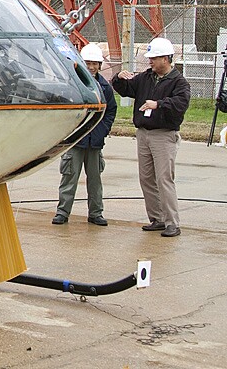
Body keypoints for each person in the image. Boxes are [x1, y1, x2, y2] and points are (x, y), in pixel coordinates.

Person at [112, 37, 191, 237]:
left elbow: (180, 104)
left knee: (164, 178)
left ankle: (172, 222)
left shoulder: (179, 82)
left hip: (164, 135)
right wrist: (118, 79)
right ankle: (157, 218)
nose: (150, 61)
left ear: (166, 59)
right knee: (146, 178)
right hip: (143, 133)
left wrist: (159, 104)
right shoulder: (145, 78)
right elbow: (126, 89)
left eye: (154, 58)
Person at [52, 43, 117, 226]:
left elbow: (110, 111)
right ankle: (62, 212)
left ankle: (96, 213)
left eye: (95, 63)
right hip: (75, 141)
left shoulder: (105, 88)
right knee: (69, 177)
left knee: (95, 180)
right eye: (87, 62)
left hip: (94, 142)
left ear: (100, 65)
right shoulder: (72, 84)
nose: (91, 67)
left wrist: (102, 131)